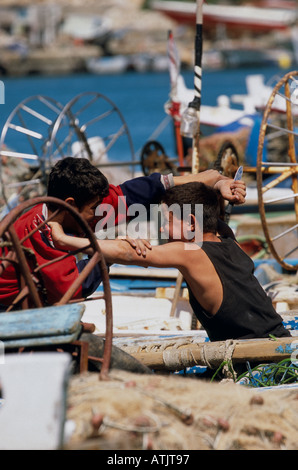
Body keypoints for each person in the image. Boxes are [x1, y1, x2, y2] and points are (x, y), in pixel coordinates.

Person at [49, 181, 290, 341]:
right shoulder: (228, 239)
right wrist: (218, 186)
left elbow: (129, 254)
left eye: (168, 220)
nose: (163, 228)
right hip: (280, 340)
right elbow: (210, 215)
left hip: (257, 361)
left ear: (192, 224)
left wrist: (64, 240)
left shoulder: (189, 251)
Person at [0, 157, 245, 309]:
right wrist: (109, 253)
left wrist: (211, 183)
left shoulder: (77, 210)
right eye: (94, 209)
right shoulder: (38, 235)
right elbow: (73, 290)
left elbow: (136, 193)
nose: (100, 213)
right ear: (71, 203)